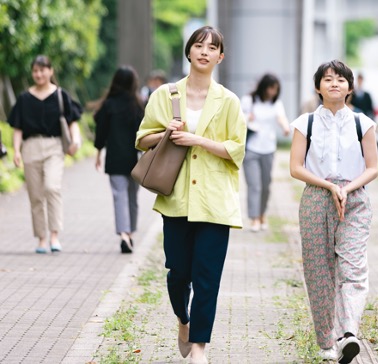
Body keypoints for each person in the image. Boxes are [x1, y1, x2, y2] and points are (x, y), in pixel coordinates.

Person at [135, 26, 246, 363]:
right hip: (177, 198)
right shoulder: (166, 95)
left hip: (215, 201)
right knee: (178, 272)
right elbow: (142, 138)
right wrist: (165, 132)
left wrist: (197, 140)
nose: (204, 52)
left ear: (220, 57)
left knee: (207, 277)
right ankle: (183, 320)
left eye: (211, 48)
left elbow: (236, 149)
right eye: (198, 45)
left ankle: (200, 346)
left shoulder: (228, 101)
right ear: (188, 52)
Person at [289, 60, 378, 363]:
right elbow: (296, 168)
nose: (335, 84)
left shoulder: (363, 124)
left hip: (354, 200)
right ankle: (326, 341)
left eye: (341, 80)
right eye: (328, 79)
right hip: (316, 198)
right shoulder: (305, 124)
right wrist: (329, 187)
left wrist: (347, 188)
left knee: (353, 269)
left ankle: (348, 332)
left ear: (350, 88)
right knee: (319, 272)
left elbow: (373, 168)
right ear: (318, 87)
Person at [7, 55, 82, 254]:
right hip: (30, 147)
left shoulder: (60, 95)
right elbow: (17, 128)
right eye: (35, 71)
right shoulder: (24, 98)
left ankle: (54, 235)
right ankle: (41, 238)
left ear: (51, 71)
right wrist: (16, 151)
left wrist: (75, 141)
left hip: (54, 147)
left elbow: (72, 121)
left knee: (52, 187)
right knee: (36, 195)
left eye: (42, 70)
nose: (38, 74)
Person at [94, 65, 144, 254]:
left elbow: (101, 132)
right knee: (132, 197)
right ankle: (130, 233)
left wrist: (98, 152)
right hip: (135, 158)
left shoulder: (108, 105)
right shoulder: (139, 104)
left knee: (119, 196)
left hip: (115, 158)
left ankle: (123, 234)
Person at [241, 73, 290, 232]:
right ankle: (254, 218)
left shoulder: (276, 104)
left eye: (276, 89)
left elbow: (281, 117)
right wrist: (248, 117)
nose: (273, 92)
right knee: (254, 185)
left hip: (268, 148)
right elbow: (239, 118)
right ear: (264, 87)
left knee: (266, 185)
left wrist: (285, 127)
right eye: (271, 88)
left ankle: (262, 214)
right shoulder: (249, 100)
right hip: (251, 148)